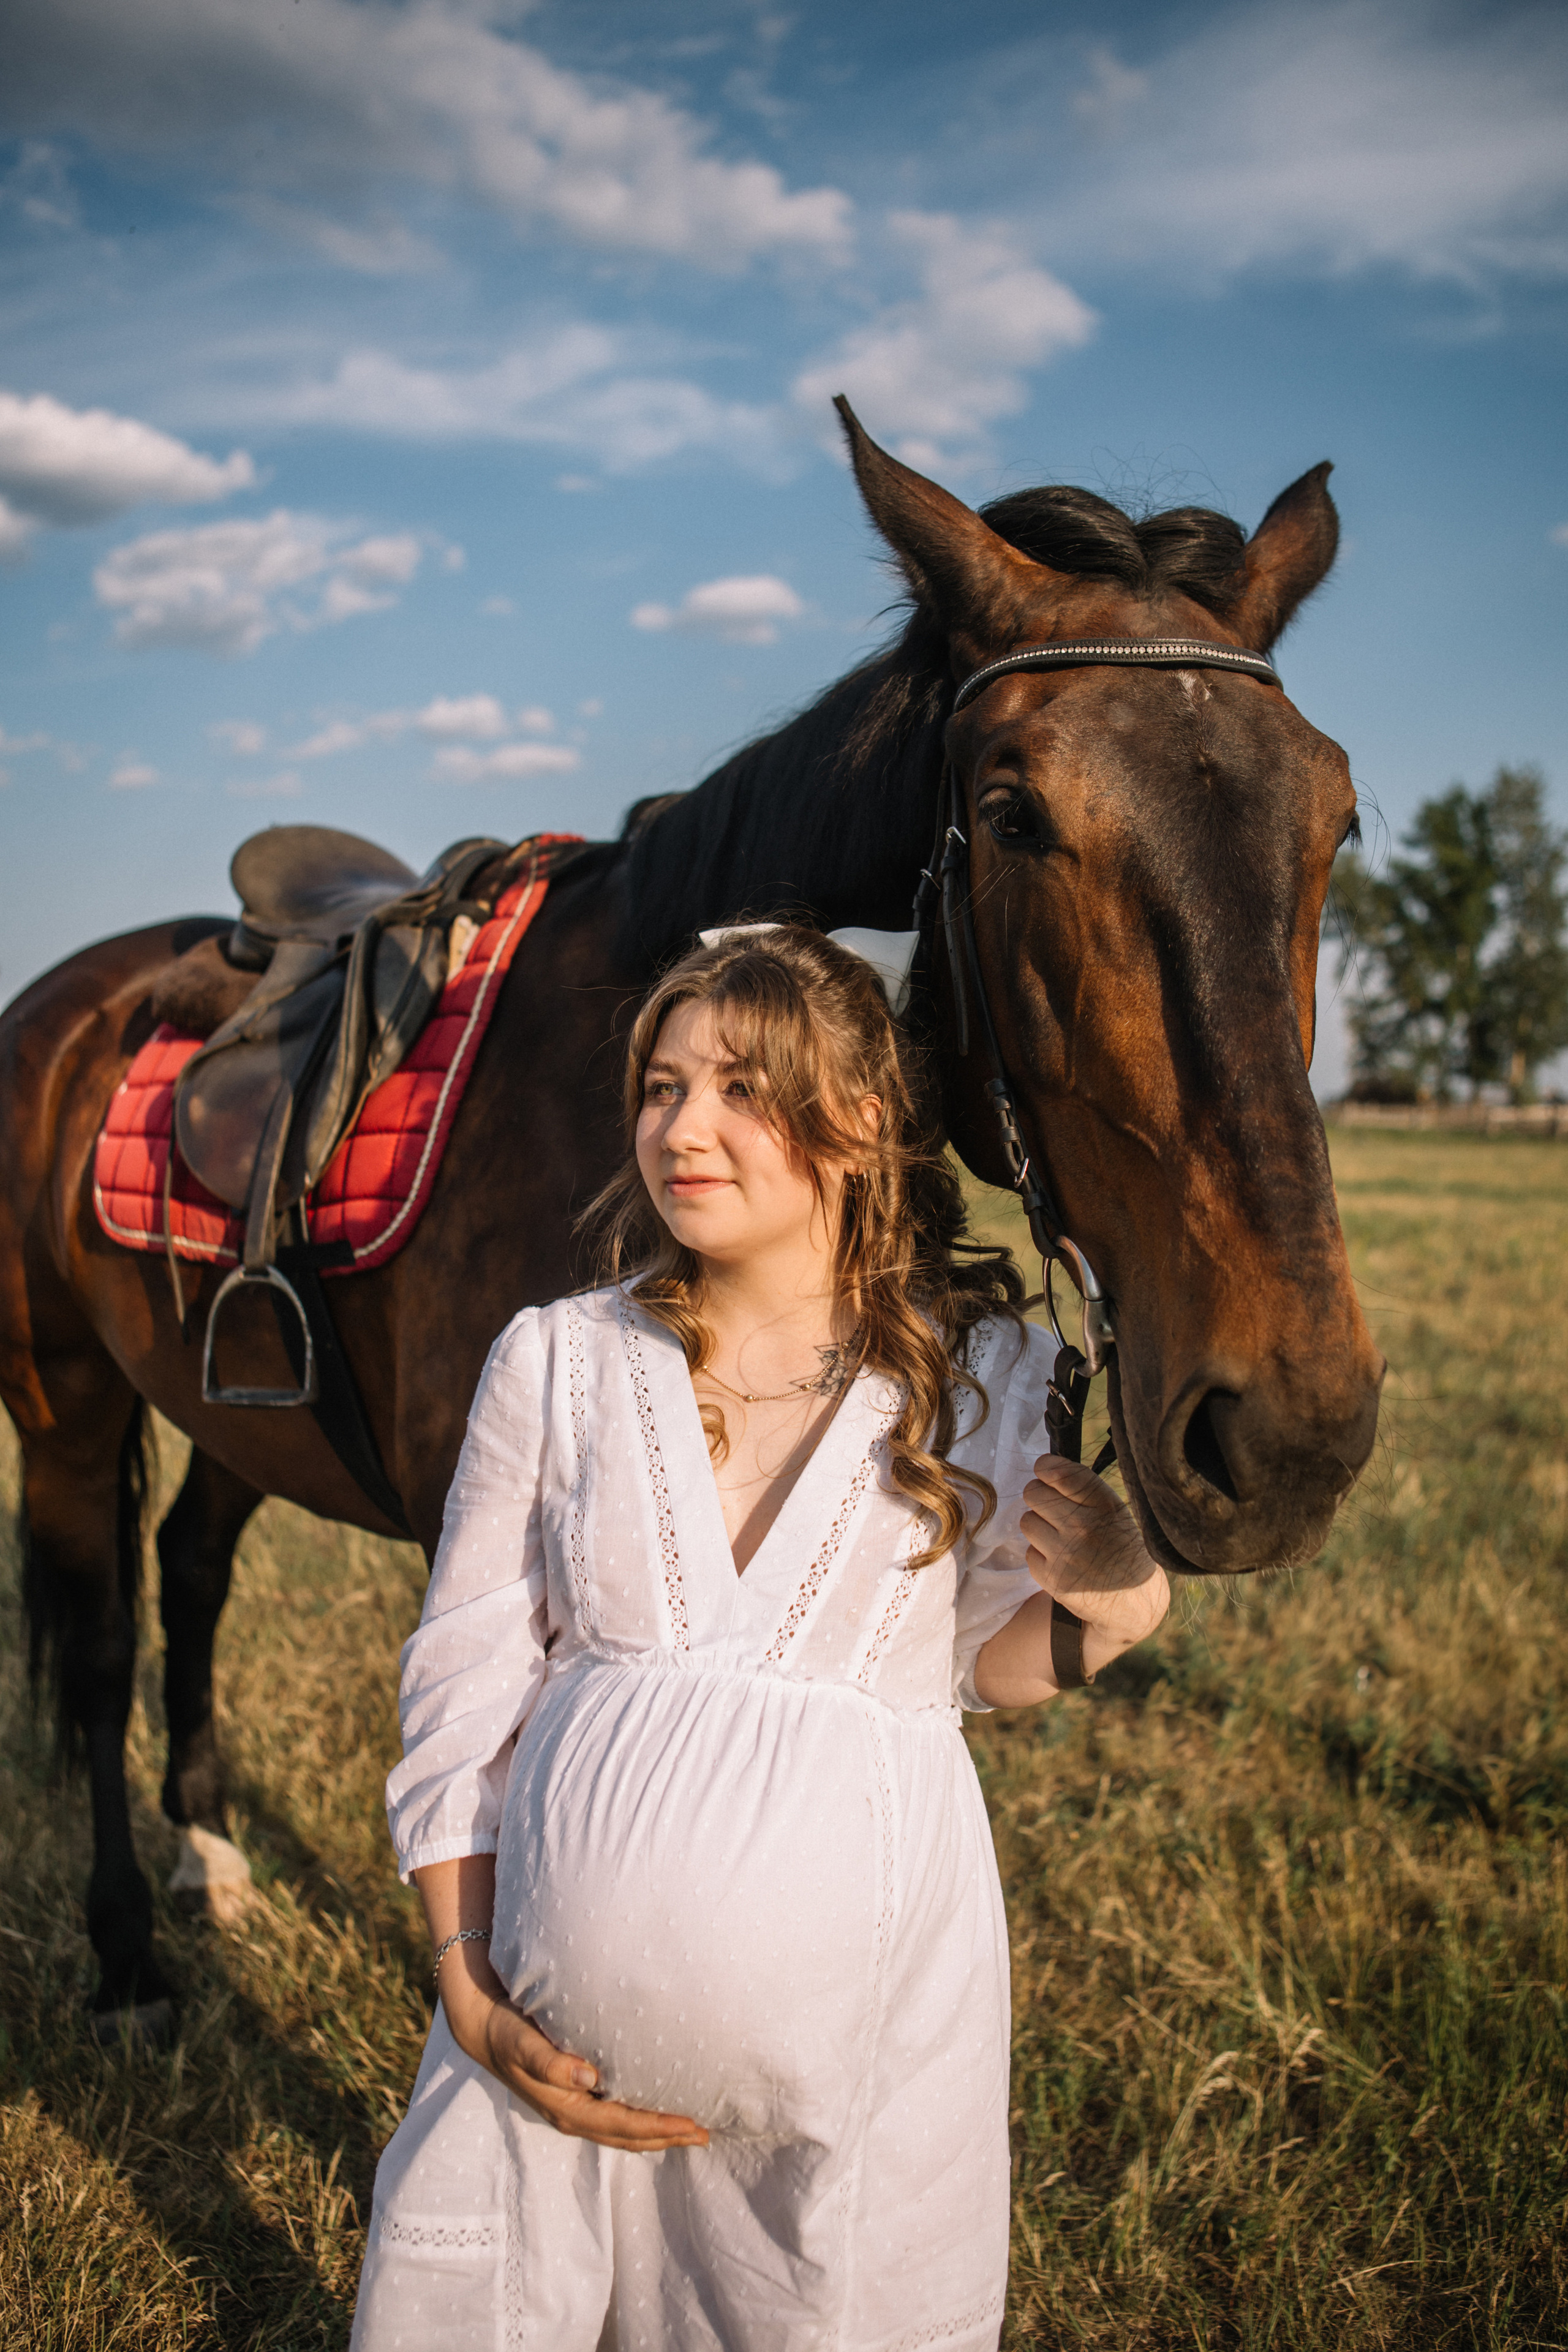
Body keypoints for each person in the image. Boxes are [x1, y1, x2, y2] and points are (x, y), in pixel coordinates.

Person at [350, 922, 1169, 2351]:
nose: (681, 1129)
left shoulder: (987, 1377)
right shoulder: (559, 1359)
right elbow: (464, 1688)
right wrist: (468, 1991)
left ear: (856, 1119)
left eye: (739, 1088)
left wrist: (1122, 1595)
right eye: (661, 1087)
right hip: (541, 2041)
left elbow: (966, 1672)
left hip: (864, 2060)